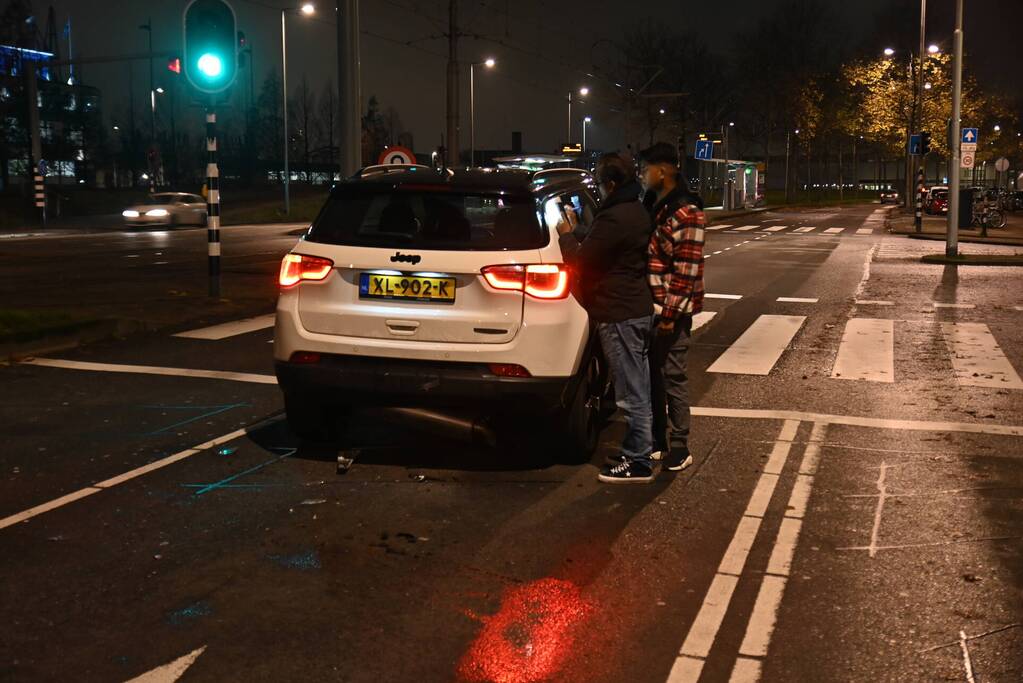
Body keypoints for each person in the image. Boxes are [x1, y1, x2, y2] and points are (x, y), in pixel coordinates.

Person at [557, 153, 656, 484]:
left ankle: (638, 460)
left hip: (619, 312)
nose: (598, 190)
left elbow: (583, 259)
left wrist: (567, 234)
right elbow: (606, 242)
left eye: (600, 184)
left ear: (611, 184)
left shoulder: (615, 217)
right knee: (636, 384)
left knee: (630, 390)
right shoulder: (635, 210)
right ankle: (638, 448)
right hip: (632, 307)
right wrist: (582, 228)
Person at [639, 142, 706, 472]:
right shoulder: (657, 204)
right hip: (651, 306)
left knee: (673, 375)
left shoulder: (687, 211)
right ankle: (657, 439)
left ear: (662, 170)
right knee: (654, 375)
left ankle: (680, 444)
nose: (643, 175)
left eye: (646, 169)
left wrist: (669, 315)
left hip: (671, 311)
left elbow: (686, 269)